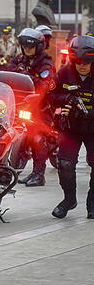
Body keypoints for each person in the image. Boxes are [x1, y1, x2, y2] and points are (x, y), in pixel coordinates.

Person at [48, 35, 94, 219]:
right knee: (65, 164)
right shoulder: (64, 73)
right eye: (78, 62)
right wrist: (66, 99)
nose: (82, 65)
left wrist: (90, 113)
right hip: (70, 128)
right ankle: (69, 199)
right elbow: (50, 95)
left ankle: (92, 203)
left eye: (87, 62)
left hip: (93, 128)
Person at [9, 28, 57, 187]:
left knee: (37, 138)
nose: (27, 49)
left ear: (39, 46)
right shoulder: (21, 59)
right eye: (25, 46)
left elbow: (45, 85)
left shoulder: (46, 62)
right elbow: (7, 71)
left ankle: (39, 174)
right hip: (22, 103)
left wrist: (26, 76)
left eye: (30, 46)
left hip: (42, 106)